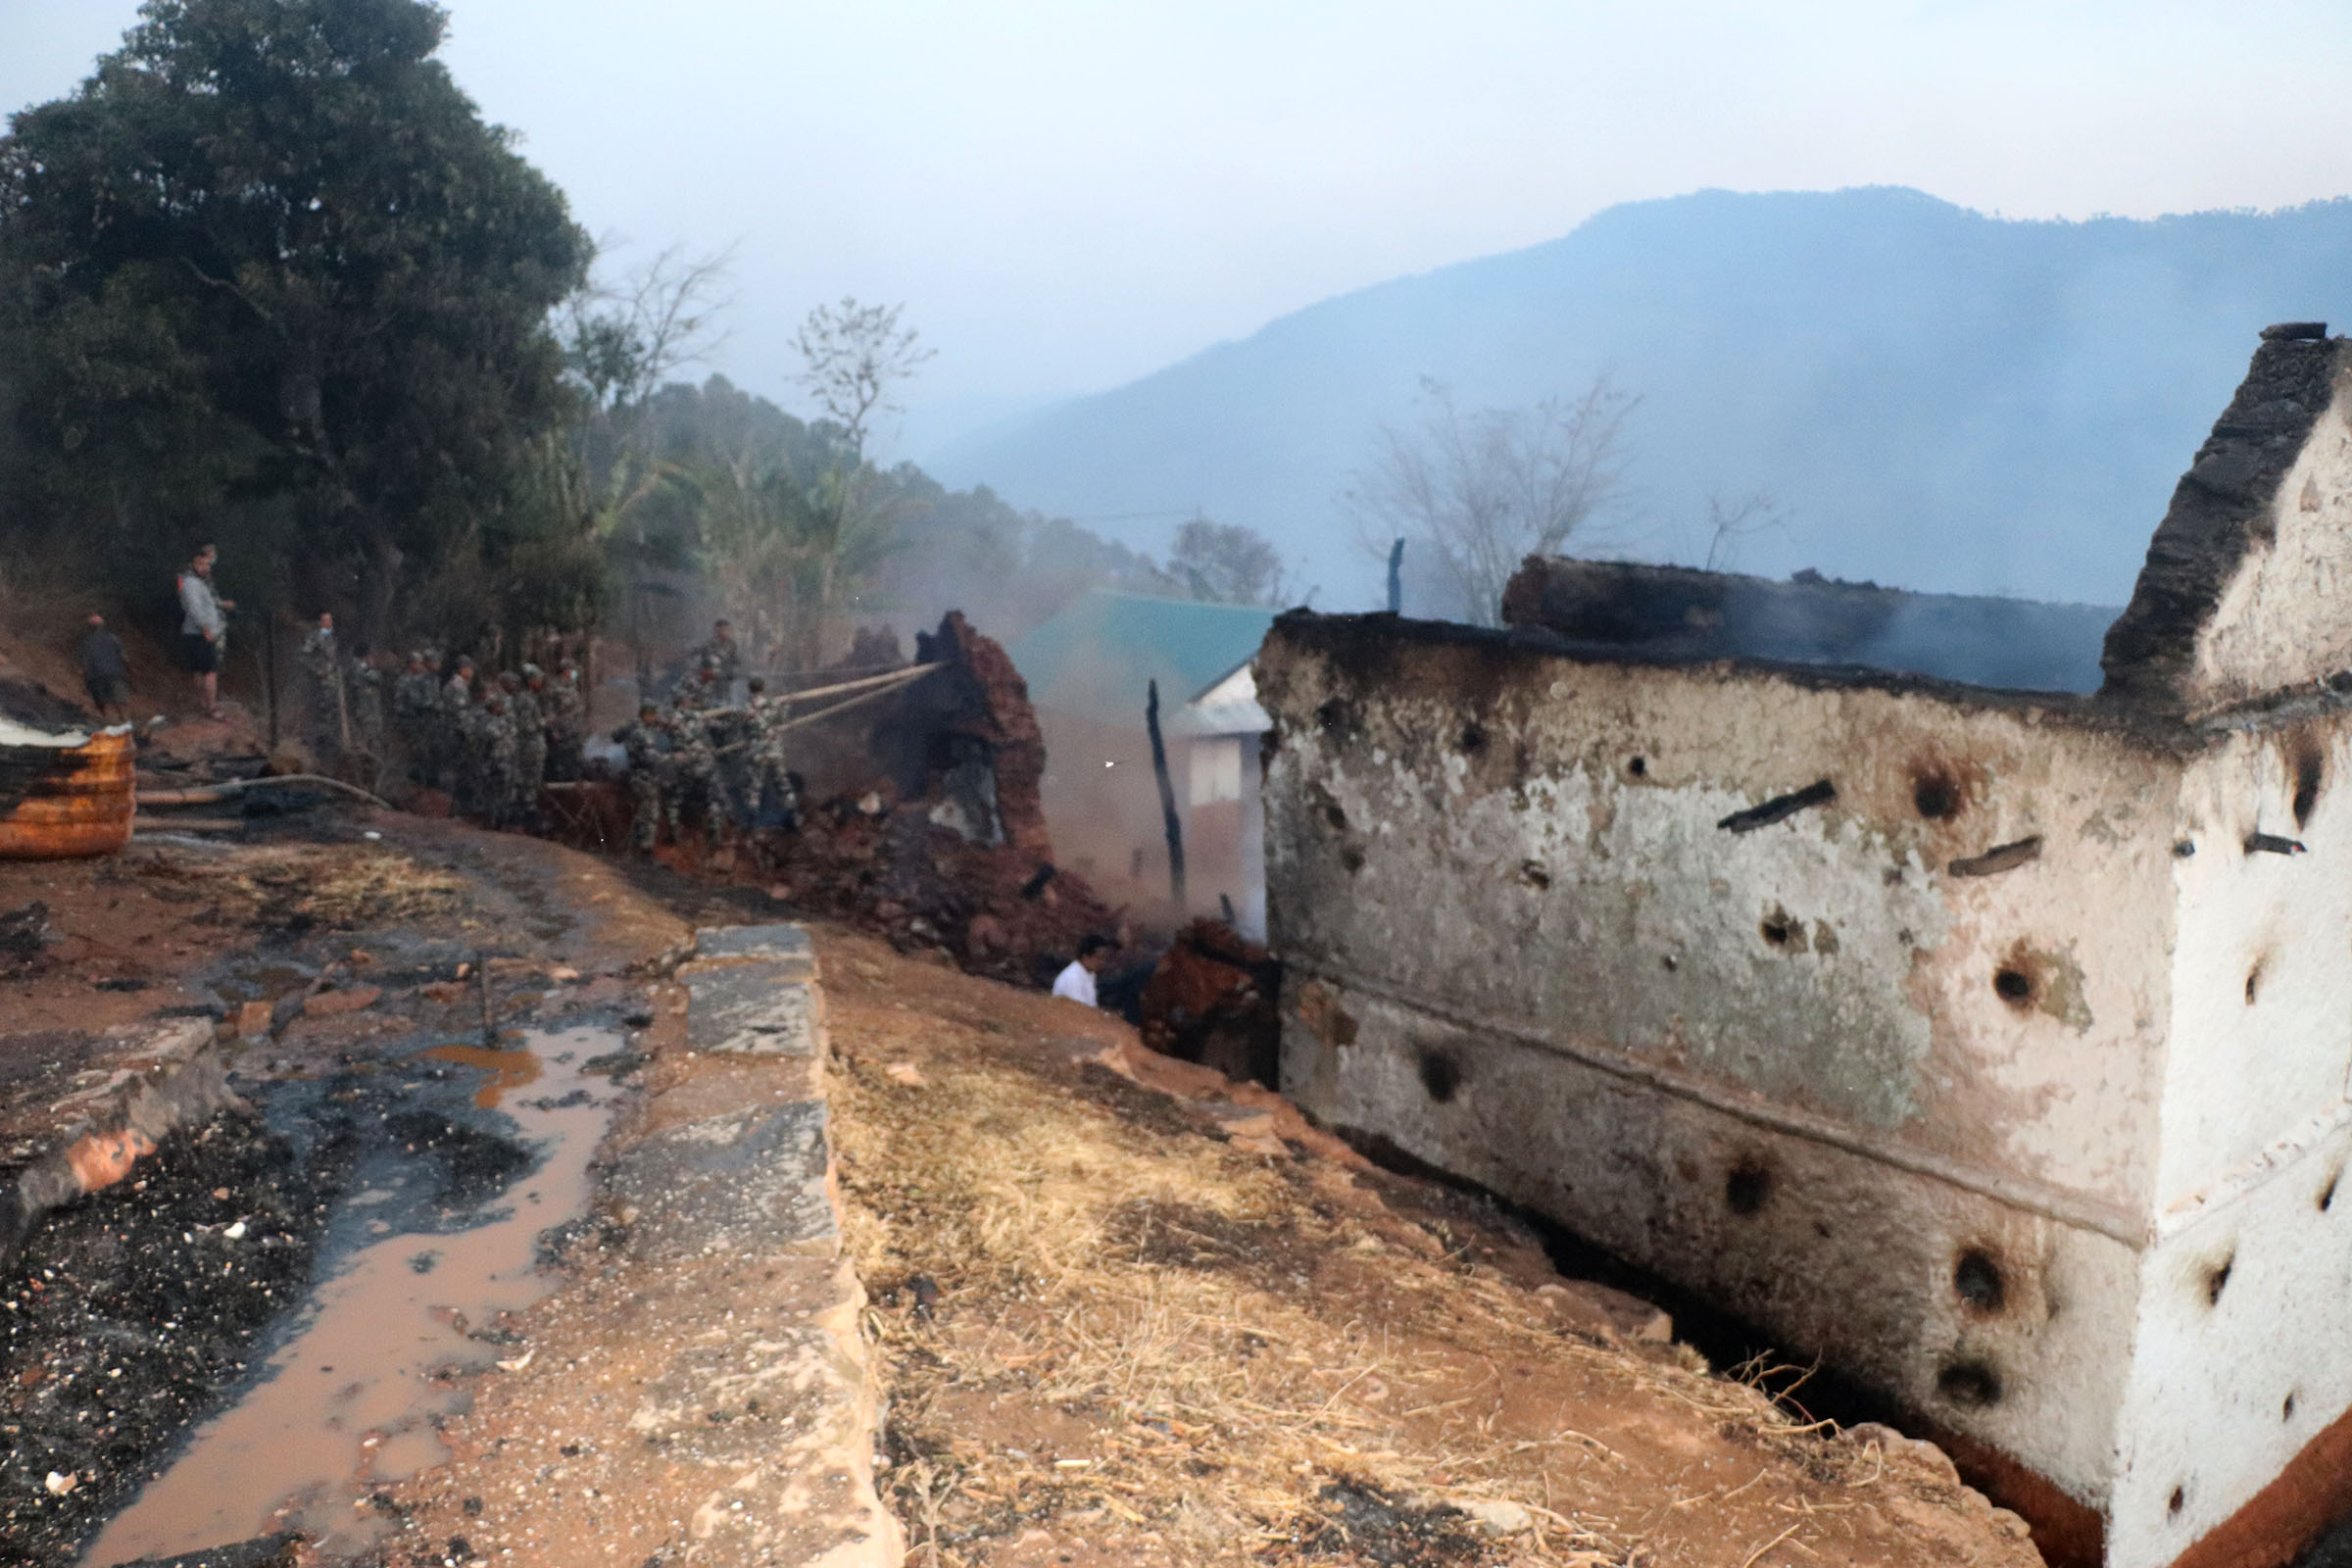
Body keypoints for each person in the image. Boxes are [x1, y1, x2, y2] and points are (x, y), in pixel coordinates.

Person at [175, 544, 234, 718]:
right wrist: (206, 629)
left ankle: (203, 704)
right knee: (209, 672)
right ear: (194, 564)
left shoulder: (199, 583)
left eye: (207, 564)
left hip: (199, 632)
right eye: (201, 564)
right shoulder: (191, 583)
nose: (206, 567)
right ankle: (210, 708)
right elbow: (195, 609)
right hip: (200, 633)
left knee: (200, 671)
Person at [77, 613, 130, 723]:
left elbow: (84, 663)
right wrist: (129, 670)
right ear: (103, 626)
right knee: (120, 702)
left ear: (89, 627)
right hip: (114, 674)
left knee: (100, 702)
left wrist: (83, 678)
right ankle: (124, 722)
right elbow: (124, 658)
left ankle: (106, 720)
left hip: (95, 676)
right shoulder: (113, 639)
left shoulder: (86, 642)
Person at [1052, 936, 1114, 1007]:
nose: (1102, 962)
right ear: (1086, 957)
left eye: (1103, 958)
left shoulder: (1091, 973)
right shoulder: (1072, 977)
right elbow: (1080, 1010)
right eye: (1099, 958)